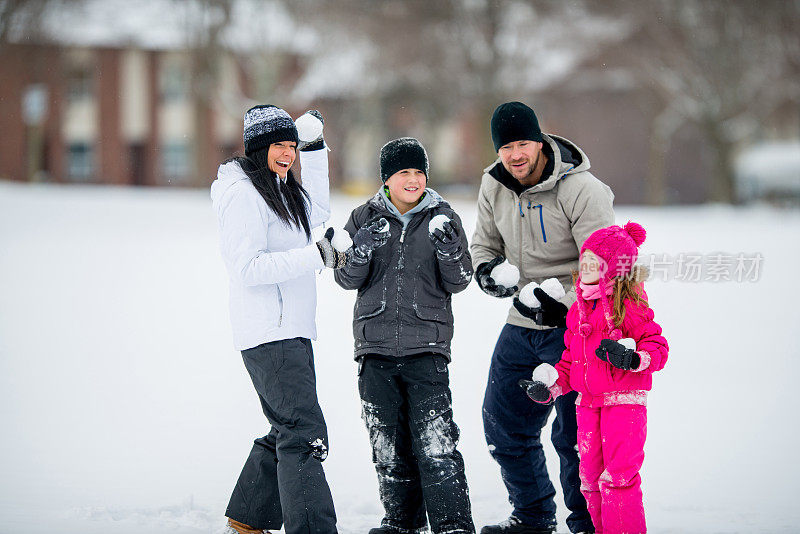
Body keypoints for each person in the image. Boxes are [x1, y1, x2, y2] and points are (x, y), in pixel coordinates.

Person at [471, 101, 615, 534]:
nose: (515, 155)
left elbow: (608, 264)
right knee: (503, 423)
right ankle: (532, 518)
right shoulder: (493, 185)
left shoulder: (582, 190)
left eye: (522, 143)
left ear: (539, 141)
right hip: (521, 324)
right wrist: (488, 273)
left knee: (573, 438)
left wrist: (568, 303)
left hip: (577, 327)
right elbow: (484, 245)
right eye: (506, 147)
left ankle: (586, 523)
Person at [210, 105, 346, 534]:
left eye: (291, 146)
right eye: (278, 146)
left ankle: (248, 517)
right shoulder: (244, 195)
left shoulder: (281, 189)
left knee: (289, 427)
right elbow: (247, 267)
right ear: (257, 147)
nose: (287, 154)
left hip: (292, 330)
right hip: (270, 331)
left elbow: (318, 214)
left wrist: (317, 148)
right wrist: (315, 257)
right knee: (303, 433)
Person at [334, 137, 476, 534]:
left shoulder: (443, 217)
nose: (412, 179)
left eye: (418, 172)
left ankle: (453, 525)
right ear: (387, 179)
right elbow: (345, 278)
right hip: (375, 347)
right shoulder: (363, 216)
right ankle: (401, 521)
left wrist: (449, 251)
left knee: (436, 443)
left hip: (426, 348)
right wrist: (360, 249)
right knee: (388, 444)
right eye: (403, 173)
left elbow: (460, 280)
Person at [522, 222, 669, 534]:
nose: (585, 266)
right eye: (584, 259)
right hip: (587, 405)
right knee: (589, 479)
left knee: (618, 477)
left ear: (614, 268)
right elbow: (569, 360)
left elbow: (657, 347)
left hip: (623, 404)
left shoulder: (628, 305)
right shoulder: (578, 309)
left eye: (595, 262)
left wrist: (632, 359)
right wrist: (551, 386)